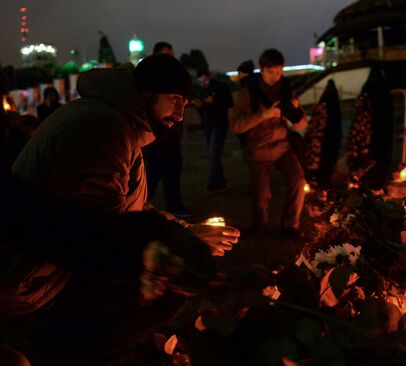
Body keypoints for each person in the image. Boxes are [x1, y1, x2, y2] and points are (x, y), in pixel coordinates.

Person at [12, 53, 239, 256]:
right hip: (31, 278)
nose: (180, 115)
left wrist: (185, 230)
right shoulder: (102, 129)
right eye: (175, 99)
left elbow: (134, 207)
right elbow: (100, 234)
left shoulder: (122, 125)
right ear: (148, 93)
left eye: (185, 103)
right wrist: (180, 242)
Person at [0, 170, 215, 364]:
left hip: (62, 250)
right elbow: (78, 241)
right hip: (41, 283)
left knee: (168, 298)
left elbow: (78, 232)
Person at [230, 48, 307, 237]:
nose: (276, 76)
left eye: (279, 71)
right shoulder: (249, 93)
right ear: (262, 70)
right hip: (258, 149)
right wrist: (263, 115)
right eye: (271, 72)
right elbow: (235, 126)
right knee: (261, 195)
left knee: (298, 180)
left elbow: (302, 124)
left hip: (282, 147)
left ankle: (290, 226)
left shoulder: (287, 90)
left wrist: (295, 113)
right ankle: (260, 226)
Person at [143, 42, 191, 217]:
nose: (179, 115)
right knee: (156, 171)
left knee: (172, 169)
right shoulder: (117, 135)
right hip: (158, 139)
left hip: (171, 136)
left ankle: (174, 205)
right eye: (174, 99)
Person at [195, 69, 234, 193]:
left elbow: (230, 103)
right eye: (200, 82)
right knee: (214, 155)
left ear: (209, 77)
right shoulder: (202, 91)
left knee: (214, 154)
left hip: (219, 124)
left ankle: (215, 184)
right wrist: (199, 107)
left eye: (204, 81)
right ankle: (220, 183)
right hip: (207, 126)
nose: (203, 84)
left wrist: (215, 101)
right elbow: (203, 113)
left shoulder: (221, 87)